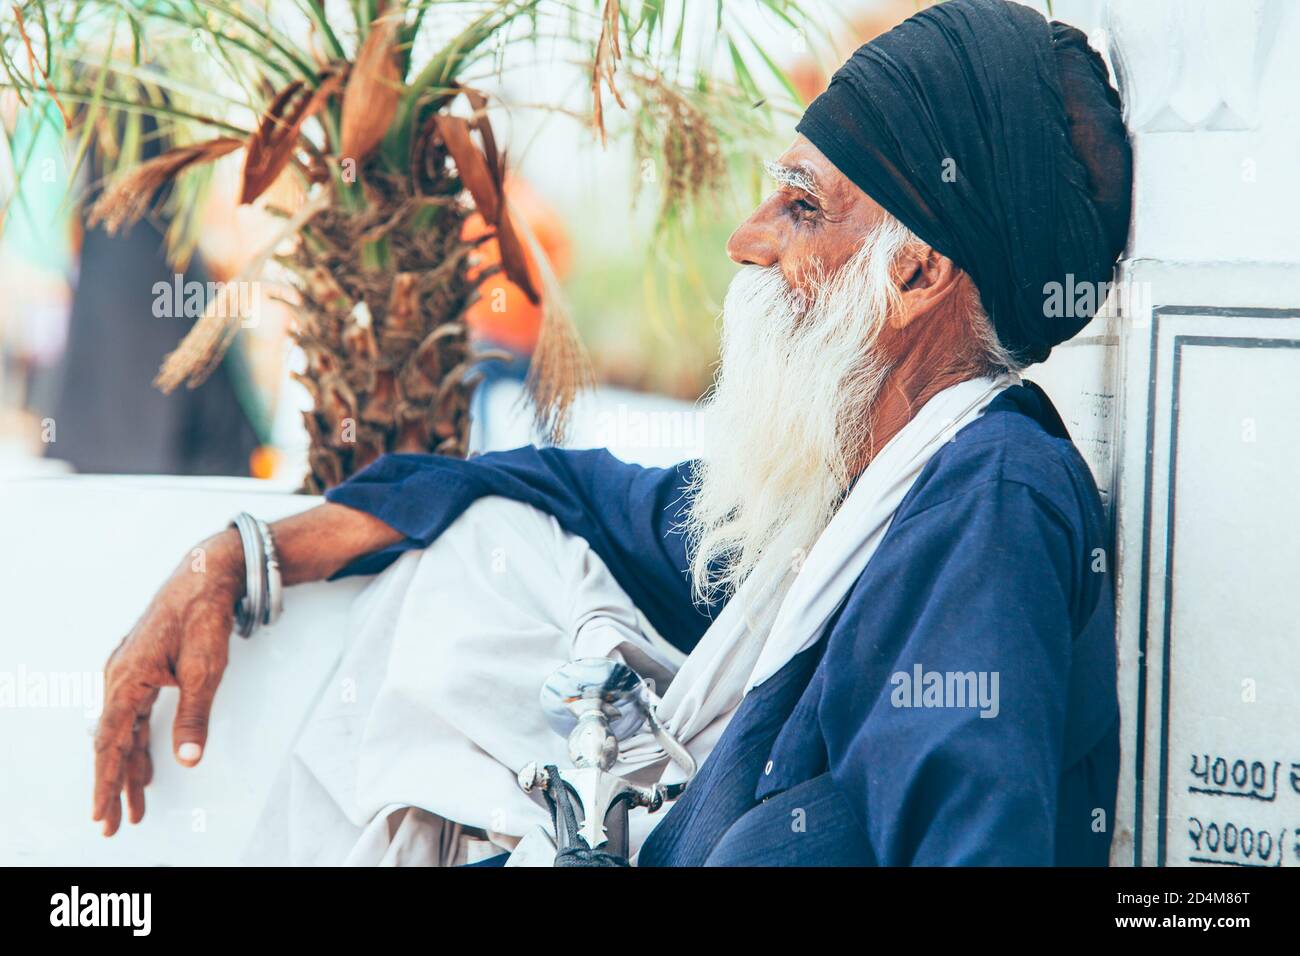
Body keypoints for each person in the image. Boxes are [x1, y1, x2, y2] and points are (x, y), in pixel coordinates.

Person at [92, 0, 1131, 866]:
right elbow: (576, 490)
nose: (748, 237)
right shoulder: (849, 500)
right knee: (493, 554)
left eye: (802, 205)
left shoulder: (990, 500)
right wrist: (243, 555)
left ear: (915, 275)